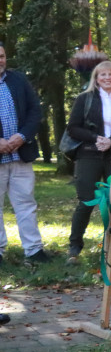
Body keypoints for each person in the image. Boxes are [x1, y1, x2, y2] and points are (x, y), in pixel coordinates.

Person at [66, 60, 111, 262]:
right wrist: (96, 139)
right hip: (89, 154)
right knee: (86, 201)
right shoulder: (85, 99)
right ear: (96, 78)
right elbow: (73, 128)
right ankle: (74, 247)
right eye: (103, 75)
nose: (107, 78)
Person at [0, 42, 49, 266]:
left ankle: (34, 250)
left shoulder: (18, 79)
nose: (0, 60)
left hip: (21, 154)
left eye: (2, 56)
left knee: (26, 205)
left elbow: (34, 110)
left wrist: (22, 136)